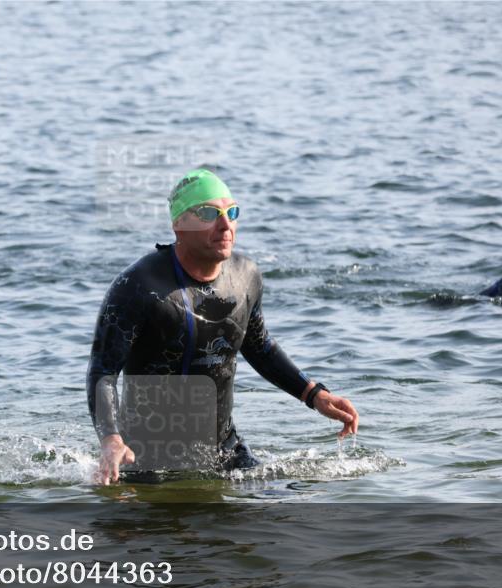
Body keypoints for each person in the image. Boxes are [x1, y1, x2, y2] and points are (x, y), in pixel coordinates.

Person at [87, 168, 360, 485]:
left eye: (232, 212)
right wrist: (110, 440)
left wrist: (314, 394)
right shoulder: (138, 286)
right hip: (147, 459)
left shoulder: (245, 276)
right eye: (209, 213)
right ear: (178, 224)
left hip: (223, 452)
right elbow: (103, 370)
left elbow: (258, 346)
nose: (226, 225)